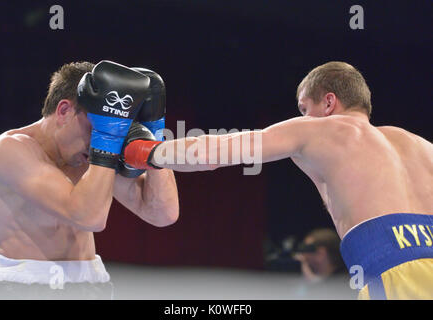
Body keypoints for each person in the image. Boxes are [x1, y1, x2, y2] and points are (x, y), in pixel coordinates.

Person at [122, 61, 433, 299]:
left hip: (396, 270)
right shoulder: (420, 145)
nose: (303, 116)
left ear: (328, 102)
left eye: (304, 108)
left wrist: (146, 152)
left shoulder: (320, 129)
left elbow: (214, 152)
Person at [0, 60, 179, 299]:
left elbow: (162, 213)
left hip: (92, 286)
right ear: (64, 110)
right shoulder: (8, 151)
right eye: (96, 127)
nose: (100, 138)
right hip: (25, 291)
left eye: (107, 130)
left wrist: (154, 136)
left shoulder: (85, 153)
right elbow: (89, 217)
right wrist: (105, 140)